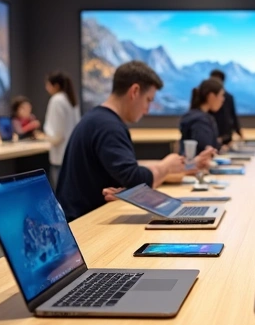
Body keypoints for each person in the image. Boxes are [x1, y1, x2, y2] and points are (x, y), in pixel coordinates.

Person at [56, 61, 213, 221]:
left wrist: (187, 165)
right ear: (135, 91)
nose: (148, 109)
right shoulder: (108, 127)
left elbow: (129, 170)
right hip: (83, 225)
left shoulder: (99, 120)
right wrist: (165, 167)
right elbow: (137, 180)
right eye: (148, 100)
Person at [42, 71, 81, 186]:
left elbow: (56, 134)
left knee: (59, 193)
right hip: (71, 153)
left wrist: (47, 136)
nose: (46, 88)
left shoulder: (56, 100)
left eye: (48, 84)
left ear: (56, 86)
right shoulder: (70, 99)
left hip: (60, 155)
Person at [180, 77, 225, 153]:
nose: (223, 99)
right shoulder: (201, 121)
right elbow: (205, 150)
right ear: (211, 96)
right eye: (221, 95)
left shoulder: (193, 116)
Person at [209, 69, 243, 145]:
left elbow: (233, 116)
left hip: (226, 137)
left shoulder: (228, 97)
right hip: (212, 139)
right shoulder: (207, 100)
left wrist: (239, 133)